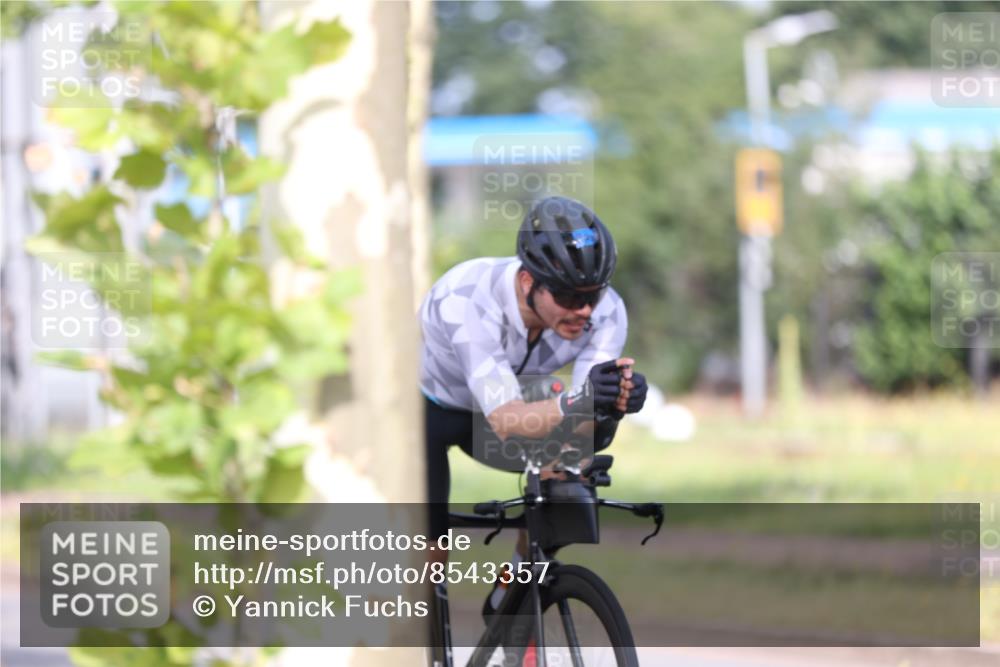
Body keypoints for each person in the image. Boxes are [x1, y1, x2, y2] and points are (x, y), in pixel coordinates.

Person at [418, 195, 648, 616]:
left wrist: (613, 404)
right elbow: (506, 421)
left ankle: (511, 593)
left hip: (512, 406)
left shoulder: (607, 310)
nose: (582, 310)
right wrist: (584, 400)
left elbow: (581, 422)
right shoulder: (467, 298)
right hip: (430, 413)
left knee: (564, 483)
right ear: (528, 283)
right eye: (566, 296)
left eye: (592, 295)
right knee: (430, 553)